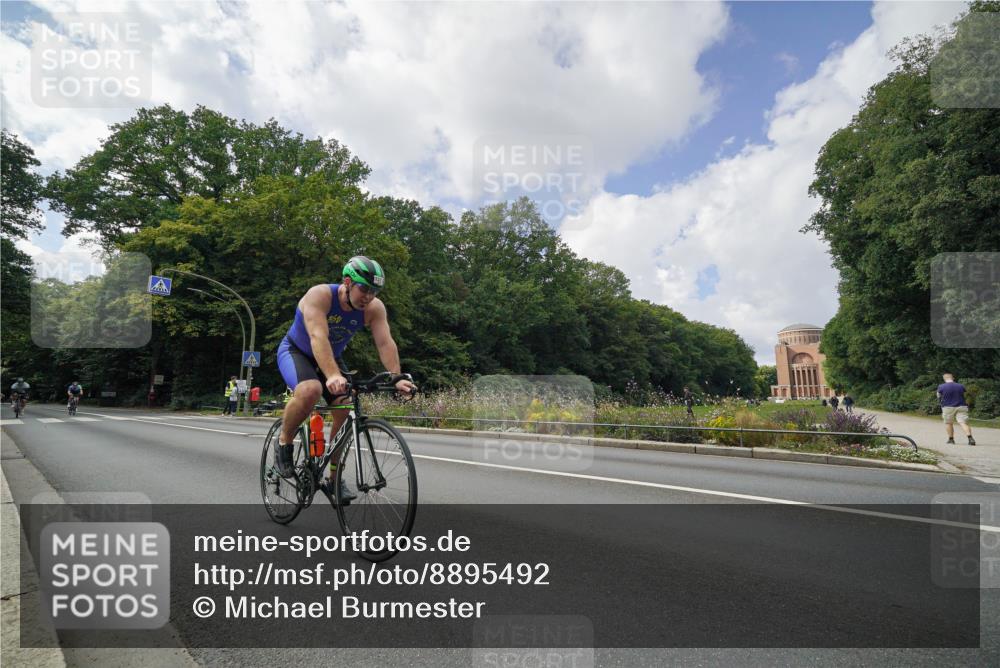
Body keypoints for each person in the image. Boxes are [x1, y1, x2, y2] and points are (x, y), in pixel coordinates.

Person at [274, 256, 416, 502]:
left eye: (374, 291)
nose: (369, 297)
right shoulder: (320, 296)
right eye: (364, 289)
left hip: (331, 357)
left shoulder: (374, 309)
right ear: (348, 282)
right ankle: (284, 440)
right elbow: (318, 337)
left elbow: (385, 342)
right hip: (297, 351)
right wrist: (331, 375)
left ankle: (333, 477)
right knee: (310, 390)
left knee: (345, 405)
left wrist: (396, 377)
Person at [937, 373, 975, 446]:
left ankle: (951, 439)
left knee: (949, 423)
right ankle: (970, 438)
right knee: (963, 422)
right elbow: (965, 394)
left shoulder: (941, 386)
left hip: (947, 407)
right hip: (962, 406)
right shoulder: (960, 386)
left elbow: (938, 396)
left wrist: (941, 403)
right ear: (953, 378)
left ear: (944, 379)